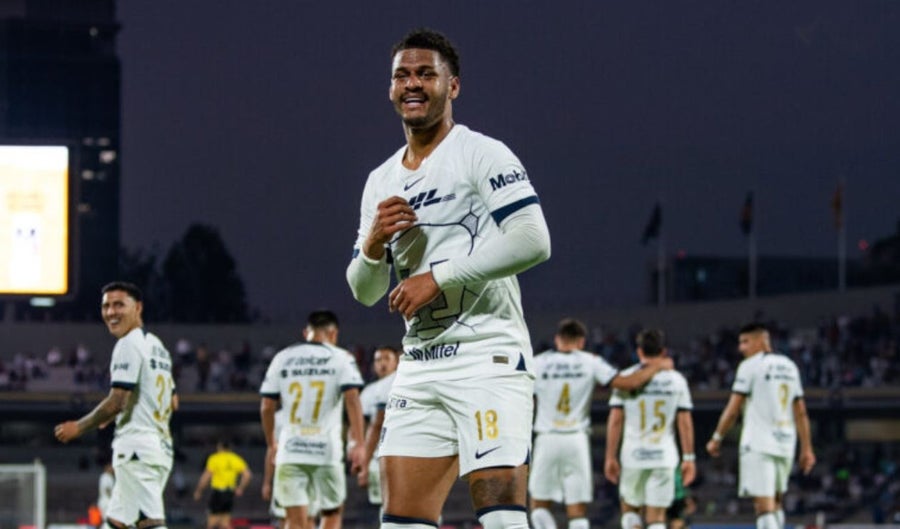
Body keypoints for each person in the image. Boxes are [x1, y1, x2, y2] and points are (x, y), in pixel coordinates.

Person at [345, 27, 551, 529]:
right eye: (402, 76)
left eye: (425, 74)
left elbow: (533, 240)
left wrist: (439, 277)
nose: (412, 84)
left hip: (488, 356)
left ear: (452, 86)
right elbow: (365, 291)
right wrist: (372, 245)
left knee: (502, 519)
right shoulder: (380, 180)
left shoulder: (481, 153)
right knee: (401, 524)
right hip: (419, 365)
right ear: (390, 89)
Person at [54, 281, 177, 529]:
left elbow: (117, 401)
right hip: (159, 447)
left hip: (136, 449)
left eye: (119, 305)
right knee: (116, 523)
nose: (111, 312)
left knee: (150, 524)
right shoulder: (157, 346)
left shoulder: (128, 343)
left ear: (138, 307)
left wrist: (79, 427)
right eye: (106, 306)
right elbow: (174, 401)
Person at [529, 319, 674, 529]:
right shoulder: (590, 361)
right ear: (581, 341)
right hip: (576, 439)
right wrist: (657, 365)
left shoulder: (538, 362)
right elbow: (628, 383)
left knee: (539, 508)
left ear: (557, 339)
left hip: (546, 438)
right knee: (578, 513)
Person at [259, 310, 366, 529]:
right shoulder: (341, 358)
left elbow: (267, 406)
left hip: (290, 450)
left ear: (306, 332)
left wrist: (271, 443)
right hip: (326, 451)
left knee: (294, 521)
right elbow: (353, 400)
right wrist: (359, 443)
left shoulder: (283, 357)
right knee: (332, 513)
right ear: (333, 333)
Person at [706, 323, 816, 529]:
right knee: (776, 502)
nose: (741, 348)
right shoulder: (790, 366)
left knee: (763, 507)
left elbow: (733, 408)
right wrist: (807, 448)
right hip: (785, 443)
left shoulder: (749, 366)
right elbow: (800, 412)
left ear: (762, 341)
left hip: (759, 444)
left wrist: (717, 438)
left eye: (745, 342)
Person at [604, 329, 696, 529]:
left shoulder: (626, 377)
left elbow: (616, 420)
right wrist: (689, 457)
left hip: (633, 454)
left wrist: (610, 456)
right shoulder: (677, 380)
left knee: (630, 510)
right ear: (663, 351)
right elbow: (684, 422)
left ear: (639, 351)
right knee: (657, 518)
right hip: (663, 455)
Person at [357, 346, 401, 519]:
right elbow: (363, 427)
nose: (382, 363)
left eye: (387, 359)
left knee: (392, 510)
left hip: (396, 455)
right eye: (378, 359)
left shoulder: (395, 382)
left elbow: (376, 426)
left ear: (396, 361)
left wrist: (364, 462)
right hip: (380, 457)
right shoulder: (368, 392)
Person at [193, 440, 253, 529]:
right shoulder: (235, 458)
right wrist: (240, 488)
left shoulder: (215, 458)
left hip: (218, 493)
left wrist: (199, 491)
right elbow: (248, 475)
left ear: (219, 447)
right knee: (225, 522)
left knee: (211, 523)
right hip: (229, 493)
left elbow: (206, 477)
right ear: (230, 448)